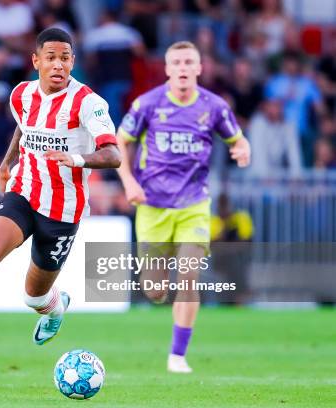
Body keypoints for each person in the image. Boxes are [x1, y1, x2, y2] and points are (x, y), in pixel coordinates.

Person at [0, 27, 121, 381]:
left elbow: (113, 154)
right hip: (24, 191)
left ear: (72, 62)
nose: (58, 65)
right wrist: (7, 161)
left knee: (34, 298)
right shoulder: (20, 95)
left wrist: (78, 159)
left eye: (65, 58)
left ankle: (54, 308)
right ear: (36, 61)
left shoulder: (88, 103)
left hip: (63, 211)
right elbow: (24, 127)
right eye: (50, 57)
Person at [115, 41, 251, 374]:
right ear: (167, 68)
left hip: (194, 205)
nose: (183, 67)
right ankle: (161, 299)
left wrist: (243, 149)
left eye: (189, 61)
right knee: (156, 290)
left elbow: (237, 138)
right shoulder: (147, 104)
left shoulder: (215, 107)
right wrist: (129, 183)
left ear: (200, 68)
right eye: (176, 62)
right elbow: (120, 141)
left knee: (188, 274)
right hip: (152, 206)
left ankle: (178, 355)